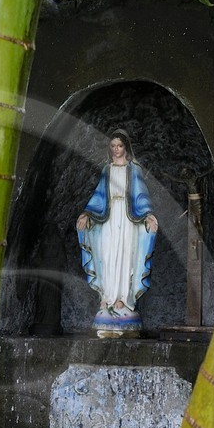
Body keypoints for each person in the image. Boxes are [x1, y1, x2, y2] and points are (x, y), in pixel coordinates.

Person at [76, 131, 158, 328]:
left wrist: (148, 215)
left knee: (125, 256)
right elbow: (99, 195)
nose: (116, 150)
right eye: (113, 146)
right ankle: (107, 297)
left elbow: (141, 195)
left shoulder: (133, 170)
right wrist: (86, 214)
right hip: (109, 219)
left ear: (126, 147)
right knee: (107, 255)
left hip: (128, 220)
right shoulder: (107, 169)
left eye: (119, 146)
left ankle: (123, 299)